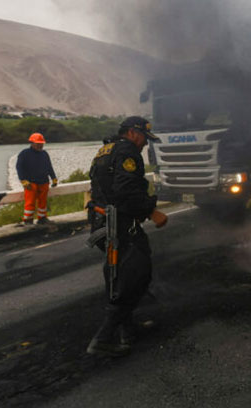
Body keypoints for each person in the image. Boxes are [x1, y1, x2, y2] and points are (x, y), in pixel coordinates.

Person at [86, 116, 168, 357]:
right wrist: (152, 212)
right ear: (133, 133)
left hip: (102, 223)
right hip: (119, 224)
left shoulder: (105, 149)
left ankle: (127, 330)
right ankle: (102, 339)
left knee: (120, 275)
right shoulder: (127, 151)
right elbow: (126, 190)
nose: (144, 144)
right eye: (143, 138)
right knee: (136, 277)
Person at [16, 133, 58, 225]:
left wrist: (54, 178)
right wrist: (23, 180)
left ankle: (42, 218)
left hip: (44, 182)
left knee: (43, 202)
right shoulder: (24, 154)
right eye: (38, 143)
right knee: (30, 202)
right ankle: (28, 220)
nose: (40, 145)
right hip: (31, 183)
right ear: (32, 143)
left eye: (41, 143)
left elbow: (49, 167)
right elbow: (19, 167)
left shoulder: (44, 154)